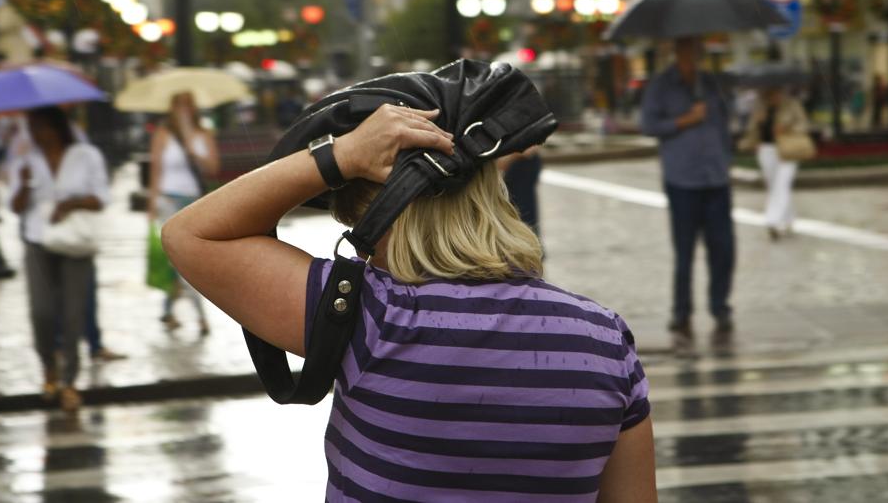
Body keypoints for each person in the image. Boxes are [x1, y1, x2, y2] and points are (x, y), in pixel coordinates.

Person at [161, 103, 657, 502]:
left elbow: (189, 234)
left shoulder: (372, 319)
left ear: (382, 219)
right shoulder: (604, 338)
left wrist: (343, 156)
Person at [9, 107, 110, 412]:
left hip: (75, 244)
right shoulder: (26, 161)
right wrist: (25, 183)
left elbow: (101, 197)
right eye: (32, 128)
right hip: (38, 241)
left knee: (73, 314)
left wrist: (70, 203)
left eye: (42, 127)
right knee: (41, 311)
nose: (38, 134)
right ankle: (48, 367)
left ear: (57, 127)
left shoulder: (86, 155)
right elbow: (15, 206)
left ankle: (69, 382)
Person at [640, 37, 735, 341]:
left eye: (696, 50)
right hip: (682, 179)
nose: (691, 55)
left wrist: (725, 156)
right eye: (686, 49)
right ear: (676, 50)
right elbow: (649, 124)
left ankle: (720, 307)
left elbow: (726, 120)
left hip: (716, 177)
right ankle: (681, 312)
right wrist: (685, 120)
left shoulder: (711, 82)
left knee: (723, 248)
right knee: (684, 252)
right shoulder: (661, 84)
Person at [147, 92, 219, 334]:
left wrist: (193, 152)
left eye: (188, 107)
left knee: (186, 259)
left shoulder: (203, 133)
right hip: (168, 199)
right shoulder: (163, 134)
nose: (184, 112)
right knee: (174, 259)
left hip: (193, 201)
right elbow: (156, 170)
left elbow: (213, 168)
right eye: (179, 107)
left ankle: (169, 310)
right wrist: (151, 205)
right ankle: (199, 317)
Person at [740, 88, 810, 240]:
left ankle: (773, 221)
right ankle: (788, 218)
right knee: (774, 186)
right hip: (767, 150)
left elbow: (804, 124)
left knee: (782, 184)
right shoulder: (760, 106)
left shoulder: (791, 104)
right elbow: (751, 130)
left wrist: (786, 128)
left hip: (787, 149)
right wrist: (757, 124)